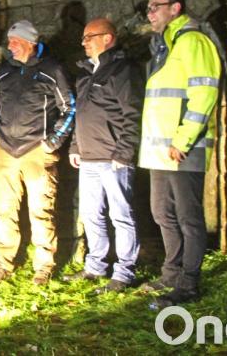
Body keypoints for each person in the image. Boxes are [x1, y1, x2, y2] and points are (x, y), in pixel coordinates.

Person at [139, 0, 221, 306]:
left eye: (155, 7)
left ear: (175, 8)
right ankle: (170, 274)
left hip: (184, 149)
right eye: (148, 8)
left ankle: (188, 285)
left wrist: (183, 139)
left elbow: (204, 93)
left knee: (189, 217)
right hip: (160, 151)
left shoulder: (193, 42)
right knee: (162, 212)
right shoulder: (165, 47)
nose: (150, 14)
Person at [0, 20, 75, 286]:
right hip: (6, 151)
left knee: (42, 211)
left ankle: (43, 267)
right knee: (4, 210)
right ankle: (1, 265)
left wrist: (52, 142)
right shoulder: (3, 71)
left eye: (14, 41)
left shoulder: (51, 70)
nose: (9, 45)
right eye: (9, 41)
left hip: (37, 150)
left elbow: (69, 107)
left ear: (29, 43)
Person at [63, 18, 144, 293]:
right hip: (88, 158)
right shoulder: (85, 74)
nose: (83, 42)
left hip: (113, 158)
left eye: (89, 37)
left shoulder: (123, 71)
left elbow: (132, 113)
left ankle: (124, 273)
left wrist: (124, 151)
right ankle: (95, 267)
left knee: (121, 215)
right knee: (90, 213)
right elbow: (81, 115)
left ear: (107, 38)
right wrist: (75, 146)